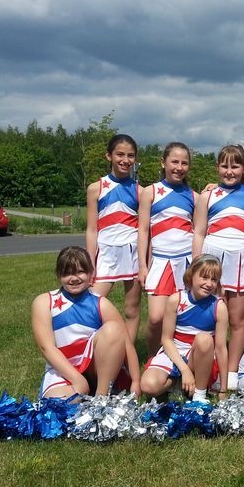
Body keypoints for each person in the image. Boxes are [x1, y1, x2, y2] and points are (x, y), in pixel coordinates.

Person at [192, 145, 244, 392]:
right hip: (213, 259)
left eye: (235, 166)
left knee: (237, 319)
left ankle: (231, 371)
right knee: (209, 315)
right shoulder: (207, 196)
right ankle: (206, 366)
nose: (229, 171)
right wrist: (197, 265)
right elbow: (199, 232)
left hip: (241, 259)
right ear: (217, 167)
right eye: (224, 166)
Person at [33, 246, 140, 399]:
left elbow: (126, 343)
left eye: (80, 272)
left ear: (91, 273)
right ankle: (82, 392)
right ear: (58, 275)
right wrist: (76, 378)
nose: (74, 278)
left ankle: (101, 397)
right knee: (59, 405)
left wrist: (135, 381)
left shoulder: (101, 304)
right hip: (62, 369)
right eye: (67, 273)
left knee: (114, 329)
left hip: (95, 369)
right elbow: (47, 347)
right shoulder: (44, 302)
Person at [140, 255, 228, 402]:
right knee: (148, 386)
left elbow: (221, 349)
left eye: (214, 279)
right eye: (204, 277)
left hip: (201, 357)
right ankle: (178, 381)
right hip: (175, 352)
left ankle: (199, 395)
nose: (209, 284)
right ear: (191, 275)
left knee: (204, 339)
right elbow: (166, 339)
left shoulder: (219, 307)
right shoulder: (176, 299)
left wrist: (223, 389)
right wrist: (185, 370)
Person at [137, 142, 196, 357]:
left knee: (182, 315)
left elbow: (198, 231)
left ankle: (179, 356)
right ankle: (153, 358)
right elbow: (143, 230)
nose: (179, 167)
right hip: (160, 262)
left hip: (185, 262)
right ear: (163, 163)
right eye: (174, 162)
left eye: (184, 163)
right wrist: (142, 266)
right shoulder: (150, 192)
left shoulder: (194, 196)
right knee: (155, 318)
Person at [85, 134, 142, 342]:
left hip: (132, 253)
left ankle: (128, 354)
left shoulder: (140, 191)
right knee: (92, 305)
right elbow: (92, 229)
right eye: (120, 154)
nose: (125, 160)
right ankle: (92, 349)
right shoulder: (96, 188)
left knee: (132, 308)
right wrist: (90, 262)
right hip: (105, 253)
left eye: (130, 155)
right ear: (109, 156)